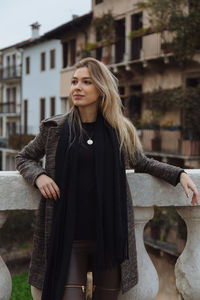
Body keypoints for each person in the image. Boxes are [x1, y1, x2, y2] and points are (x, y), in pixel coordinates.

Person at [15, 57, 199, 300]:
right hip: (68, 235)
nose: (77, 88)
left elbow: (142, 162)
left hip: (109, 236)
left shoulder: (119, 130)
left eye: (86, 82)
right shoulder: (55, 128)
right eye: (74, 82)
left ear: (101, 89)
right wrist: (39, 176)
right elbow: (24, 157)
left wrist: (179, 174)